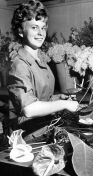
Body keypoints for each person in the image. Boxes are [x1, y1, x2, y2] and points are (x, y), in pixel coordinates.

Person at [8, 0, 79, 138]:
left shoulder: (41, 60)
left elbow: (42, 97)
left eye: (43, 27)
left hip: (45, 131)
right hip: (28, 139)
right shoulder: (19, 65)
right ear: (21, 31)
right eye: (34, 27)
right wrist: (62, 104)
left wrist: (59, 97)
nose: (41, 33)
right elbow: (29, 109)